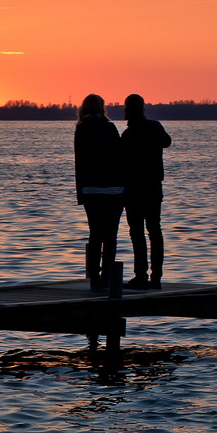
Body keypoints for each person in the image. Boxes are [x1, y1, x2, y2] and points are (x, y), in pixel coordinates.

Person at [120, 93, 172, 289]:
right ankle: (156, 276)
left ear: (128, 110)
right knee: (154, 231)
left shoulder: (128, 134)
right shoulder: (155, 127)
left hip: (133, 189)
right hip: (153, 188)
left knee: (137, 233)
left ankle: (141, 275)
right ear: (142, 108)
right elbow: (167, 142)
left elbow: (121, 162)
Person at [73, 93, 124, 288]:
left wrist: (81, 194)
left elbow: (80, 163)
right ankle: (108, 277)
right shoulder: (110, 128)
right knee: (111, 235)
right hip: (114, 188)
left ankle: (94, 279)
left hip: (91, 189)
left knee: (95, 234)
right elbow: (120, 158)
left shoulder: (81, 129)